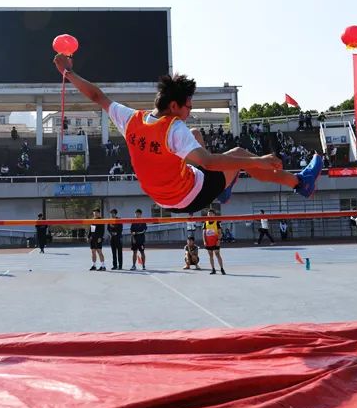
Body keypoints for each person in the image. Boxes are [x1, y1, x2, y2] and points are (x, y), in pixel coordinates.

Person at [52, 56, 324, 215]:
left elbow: (97, 96)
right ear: (173, 106)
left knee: (196, 134)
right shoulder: (173, 129)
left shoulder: (131, 119)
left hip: (160, 196)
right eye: (187, 107)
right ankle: (300, 183)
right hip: (187, 196)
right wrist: (260, 161)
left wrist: (69, 71)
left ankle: (225, 188)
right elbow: (207, 162)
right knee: (241, 155)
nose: (189, 113)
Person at [203, 209, 226, 275]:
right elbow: (204, 233)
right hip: (208, 242)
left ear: (214, 215)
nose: (209, 215)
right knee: (210, 256)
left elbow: (220, 233)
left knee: (217, 255)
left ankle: (222, 269)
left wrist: (219, 240)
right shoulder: (205, 223)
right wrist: (204, 241)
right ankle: (213, 269)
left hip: (215, 242)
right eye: (208, 214)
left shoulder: (217, 223)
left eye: (211, 213)